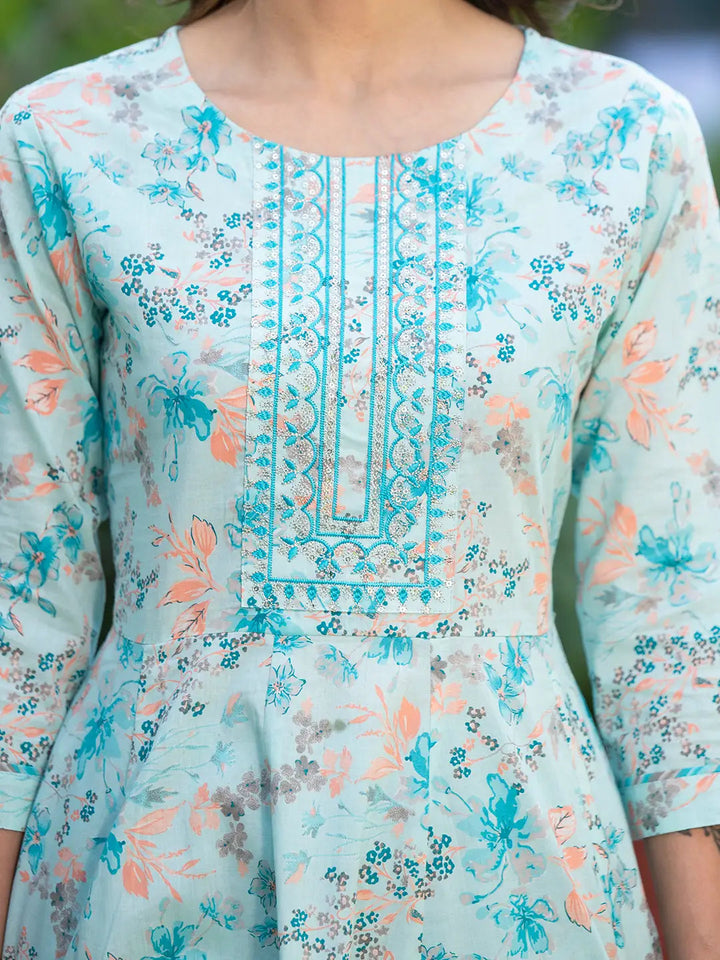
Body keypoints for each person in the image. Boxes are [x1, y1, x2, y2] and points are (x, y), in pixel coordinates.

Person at [0, 0, 718, 956]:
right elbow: (19, 610)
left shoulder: (625, 141)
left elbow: (673, 616)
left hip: (516, 885)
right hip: (147, 883)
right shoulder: (68, 136)